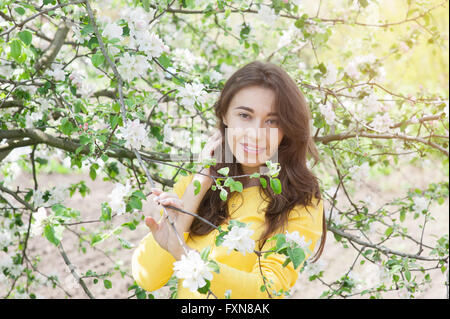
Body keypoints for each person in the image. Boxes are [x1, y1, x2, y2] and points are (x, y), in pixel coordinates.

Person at [131, 60, 326, 299]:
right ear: (224, 115)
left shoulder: (300, 200)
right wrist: (199, 187)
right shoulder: (196, 184)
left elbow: (266, 291)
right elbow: (148, 278)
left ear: (287, 128)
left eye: (272, 121)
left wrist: (184, 256)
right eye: (245, 115)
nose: (255, 134)